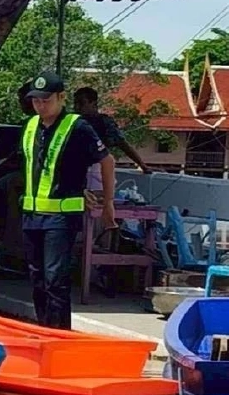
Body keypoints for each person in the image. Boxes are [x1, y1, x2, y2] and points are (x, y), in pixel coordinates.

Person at [22, 71, 117, 329]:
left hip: (61, 218)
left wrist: (108, 201)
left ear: (61, 98)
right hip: (31, 216)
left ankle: (58, 335)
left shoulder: (77, 126)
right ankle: (43, 329)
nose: (41, 105)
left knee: (56, 280)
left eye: (46, 100)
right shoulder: (31, 126)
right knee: (37, 278)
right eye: (36, 100)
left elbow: (107, 161)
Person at [73, 86, 152, 191]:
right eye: (75, 103)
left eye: (81, 103)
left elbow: (122, 144)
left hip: (97, 172)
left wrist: (142, 165)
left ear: (93, 103)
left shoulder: (104, 122)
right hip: (74, 173)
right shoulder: (71, 122)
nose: (77, 107)